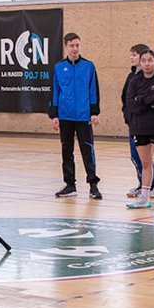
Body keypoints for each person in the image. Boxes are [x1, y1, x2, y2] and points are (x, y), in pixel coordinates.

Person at [49, 33, 101, 200]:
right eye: (72, 45)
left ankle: (93, 185)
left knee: (87, 150)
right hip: (65, 116)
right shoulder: (58, 68)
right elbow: (55, 91)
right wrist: (54, 115)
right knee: (67, 151)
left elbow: (93, 90)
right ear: (66, 46)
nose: (75, 49)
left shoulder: (88, 66)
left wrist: (94, 112)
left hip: (83, 117)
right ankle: (70, 185)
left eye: (77, 45)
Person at [123, 47, 154, 211]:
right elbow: (131, 104)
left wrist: (141, 99)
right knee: (146, 163)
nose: (146, 64)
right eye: (144, 60)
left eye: (150, 60)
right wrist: (149, 101)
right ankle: (144, 197)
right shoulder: (134, 81)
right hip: (139, 126)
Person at [123, 45, 154, 199]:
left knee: (144, 157)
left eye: (135, 55)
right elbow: (126, 98)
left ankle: (151, 185)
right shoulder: (131, 76)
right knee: (135, 156)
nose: (132, 57)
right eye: (131, 54)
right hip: (132, 122)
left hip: (144, 123)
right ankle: (142, 184)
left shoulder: (149, 78)